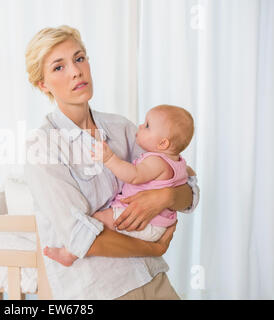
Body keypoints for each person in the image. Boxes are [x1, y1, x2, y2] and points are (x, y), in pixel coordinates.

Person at [24, 25, 200, 300]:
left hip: (152, 276)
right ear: (43, 85)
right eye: (59, 67)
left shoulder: (121, 128)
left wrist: (164, 196)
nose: (76, 71)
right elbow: (81, 238)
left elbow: (189, 191)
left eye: (79, 58)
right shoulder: (43, 147)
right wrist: (153, 248)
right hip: (103, 288)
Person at [43, 105, 196, 267]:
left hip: (146, 222)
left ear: (163, 143)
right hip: (157, 225)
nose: (140, 126)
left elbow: (135, 175)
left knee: (98, 220)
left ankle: (69, 254)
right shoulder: (179, 162)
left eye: (147, 126)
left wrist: (110, 159)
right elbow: (190, 181)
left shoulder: (156, 161)